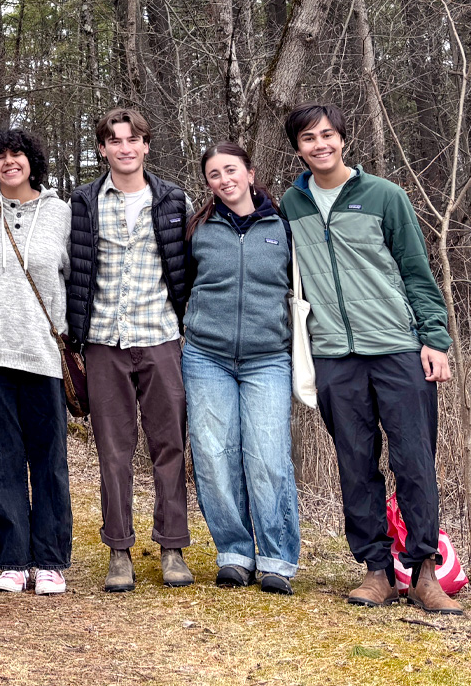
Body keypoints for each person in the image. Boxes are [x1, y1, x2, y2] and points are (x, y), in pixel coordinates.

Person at [280, 103, 461, 615]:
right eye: (309, 138)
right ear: (298, 147)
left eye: (328, 135)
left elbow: (416, 273)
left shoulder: (385, 196)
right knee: (355, 464)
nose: (320, 145)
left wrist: (435, 339)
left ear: (343, 139)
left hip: (398, 349)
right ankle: (376, 571)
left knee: (414, 463)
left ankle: (424, 572)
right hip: (335, 355)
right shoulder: (291, 207)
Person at [67, 108, 192, 592]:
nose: (124, 148)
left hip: (160, 335)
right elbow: (74, 269)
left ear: (145, 146)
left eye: (133, 139)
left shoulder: (172, 199)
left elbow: (186, 267)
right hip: (103, 341)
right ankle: (118, 550)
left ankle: (172, 546)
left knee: (169, 445)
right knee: (113, 450)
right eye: (114, 141)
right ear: (102, 149)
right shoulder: (85, 202)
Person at [181, 143, 300, 595]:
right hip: (206, 356)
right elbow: (182, 286)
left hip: (267, 357)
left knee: (268, 457)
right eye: (214, 174)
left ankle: (276, 558)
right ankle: (233, 552)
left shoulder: (282, 227)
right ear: (208, 183)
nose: (224, 180)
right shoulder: (199, 229)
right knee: (213, 456)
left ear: (250, 173)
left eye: (231, 170)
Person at [0, 128, 74, 596]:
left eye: (18, 154)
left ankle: (49, 560)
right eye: (0, 156)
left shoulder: (61, 212)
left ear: (32, 161)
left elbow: (74, 276)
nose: (9, 163)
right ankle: (11, 558)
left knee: (49, 460)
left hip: (44, 353)